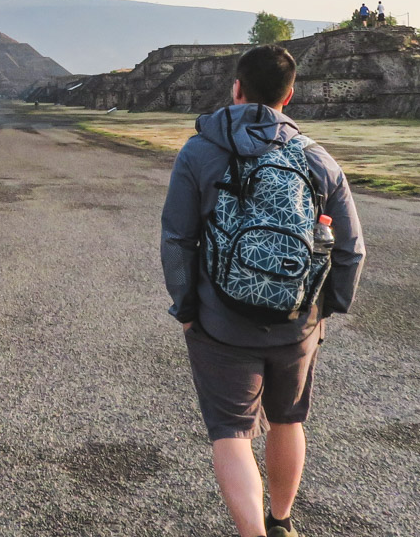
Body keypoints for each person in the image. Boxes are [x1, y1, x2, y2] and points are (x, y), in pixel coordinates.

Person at [160, 45, 365, 537]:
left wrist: (188, 308)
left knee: (231, 432)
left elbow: (177, 238)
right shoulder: (318, 160)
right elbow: (351, 249)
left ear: (236, 89)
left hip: (220, 320)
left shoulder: (199, 151)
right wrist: (323, 310)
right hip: (297, 321)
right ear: (289, 96)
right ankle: (282, 524)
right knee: (288, 420)